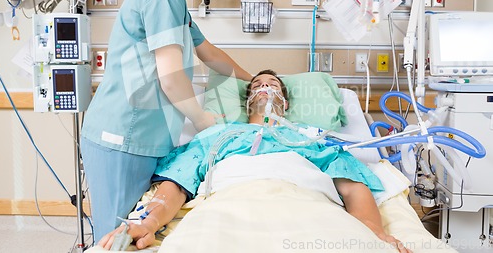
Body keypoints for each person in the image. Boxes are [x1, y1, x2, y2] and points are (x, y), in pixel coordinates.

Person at [98, 70, 412, 253]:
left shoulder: (310, 137)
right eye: (258, 85)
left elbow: (352, 185)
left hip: (306, 204)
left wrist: (373, 231)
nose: (265, 89)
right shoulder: (218, 135)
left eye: (272, 85)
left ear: (285, 102)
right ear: (248, 99)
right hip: (228, 206)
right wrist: (149, 222)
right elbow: (176, 182)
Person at [80, 0, 252, 242]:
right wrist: (204, 121)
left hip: (140, 137)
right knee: (116, 238)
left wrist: (253, 79)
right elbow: (171, 78)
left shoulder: (173, 0)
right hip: (121, 135)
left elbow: (209, 53)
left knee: (133, 235)